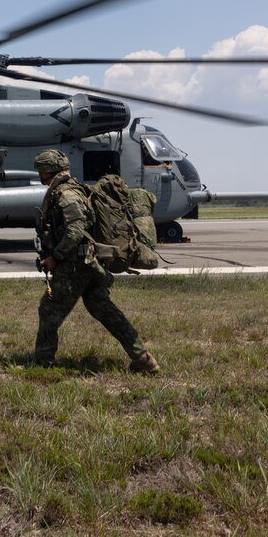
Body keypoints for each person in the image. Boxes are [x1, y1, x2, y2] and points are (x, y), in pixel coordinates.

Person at [32, 149, 160, 373]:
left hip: (75, 266)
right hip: (89, 264)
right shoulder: (73, 190)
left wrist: (56, 256)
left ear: (46, 172)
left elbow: (75, 230)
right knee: (107, 312)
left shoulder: (67, 195)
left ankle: (43, 364)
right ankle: (143, 359)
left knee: (49, 311)